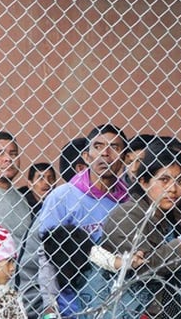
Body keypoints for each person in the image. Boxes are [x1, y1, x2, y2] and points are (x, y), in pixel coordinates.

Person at [81, 140, 181, 318]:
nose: (173, 189)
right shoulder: (126, 216)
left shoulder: (175, 219)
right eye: (164, 180)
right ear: (144, 182)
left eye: (180, 181)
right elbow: (147, 267)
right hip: (130, 312)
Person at [25, 124, 132, 318]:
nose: (105, 154)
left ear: (125, 158)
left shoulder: (128, 202)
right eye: (98, 147)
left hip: (118, 305)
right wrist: (50, 305)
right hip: (72, 307)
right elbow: (47, 255)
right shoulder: (63, 197)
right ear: (86, 156)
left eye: (114, 148)